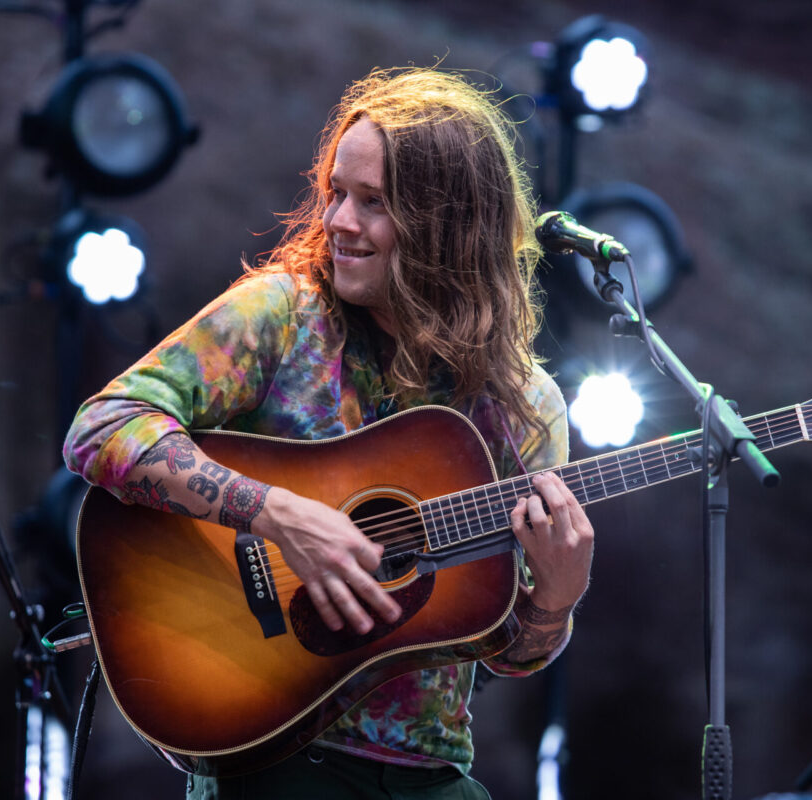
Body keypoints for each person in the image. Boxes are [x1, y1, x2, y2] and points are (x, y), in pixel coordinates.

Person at [63, 67, 594, 799]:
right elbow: (103, 427)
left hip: (429, 771)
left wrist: (556, 601)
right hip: (273, 749)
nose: (340, 221)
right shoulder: (283, 316)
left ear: (448, 224)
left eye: (373, 203)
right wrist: (277, 514)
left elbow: (505, 651)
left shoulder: (523, 406)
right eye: (337, 193)